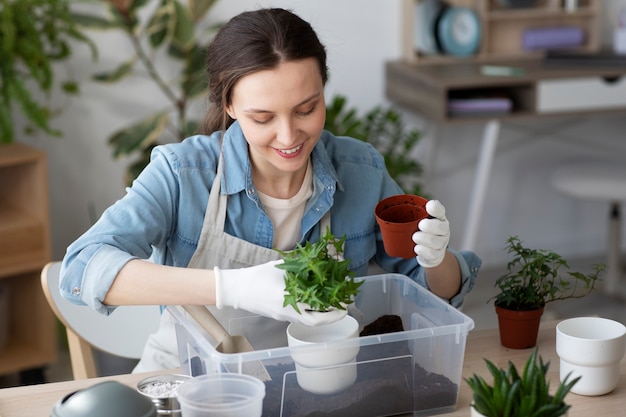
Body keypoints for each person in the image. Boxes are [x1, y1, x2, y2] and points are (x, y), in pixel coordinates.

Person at [60, 7, 481, 372]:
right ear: (228, 106)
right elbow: (83, 269)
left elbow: (433, 294)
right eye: (262, 118)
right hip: (194, 384)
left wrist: (435, 257)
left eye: (307, 109)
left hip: (318, 384)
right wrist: (233, 289)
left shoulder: (361, 171)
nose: (288, 136)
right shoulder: (182, 175)